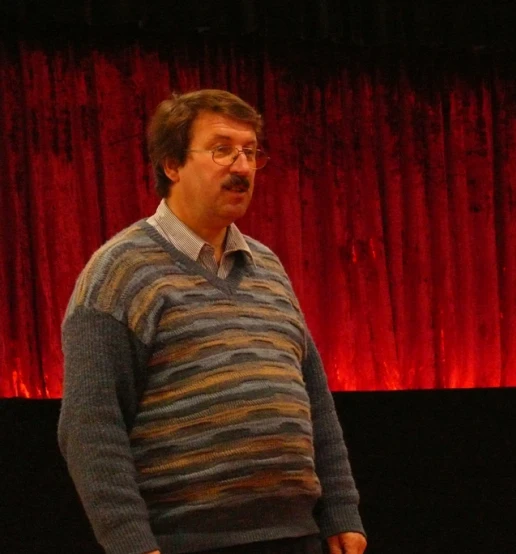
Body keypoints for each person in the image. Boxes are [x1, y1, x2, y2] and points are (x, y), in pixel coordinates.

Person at [58, 89, 367, 554]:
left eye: (249, 152)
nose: (241, 167)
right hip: (186, 542)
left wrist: (341, 509)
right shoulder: (119, 271)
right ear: (172, 164)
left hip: (296, 537)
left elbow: (315, 402)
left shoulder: (268, 267)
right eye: (222, 149)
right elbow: (90, 426)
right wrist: (130, 544)